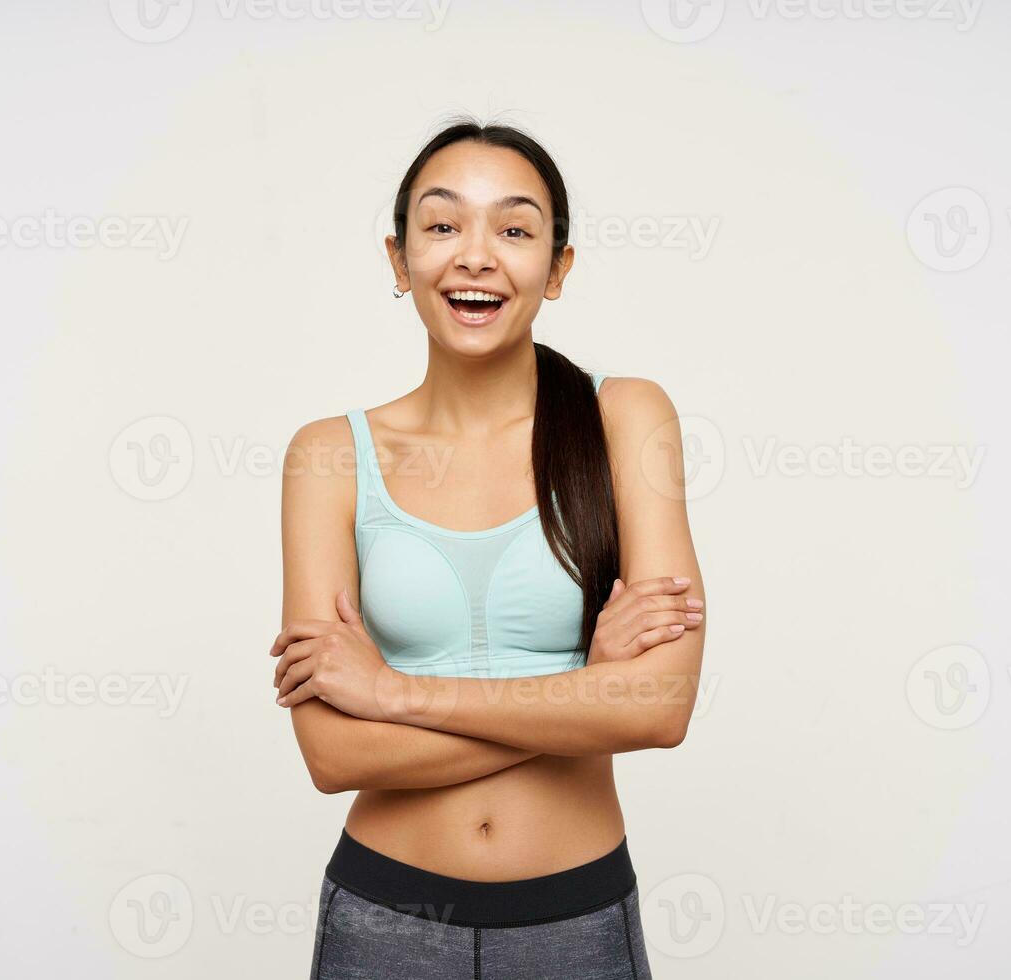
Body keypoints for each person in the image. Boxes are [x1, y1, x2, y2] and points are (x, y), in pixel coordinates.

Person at [272, 118, 706, 979]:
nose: (476, 256)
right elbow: (333, 755)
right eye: (442, 226)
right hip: (382, 919)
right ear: (400, 261)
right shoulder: (328, 454)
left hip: (576, 918)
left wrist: (393, 692)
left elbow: (659, 707)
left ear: (558, 267)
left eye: (514, 229)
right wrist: (587, 692)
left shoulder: (625, 418)